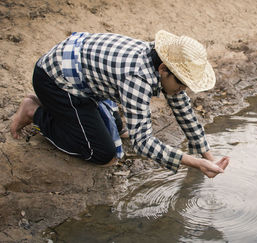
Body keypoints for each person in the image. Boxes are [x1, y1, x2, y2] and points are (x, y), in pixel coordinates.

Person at [10, 30, 229, 178]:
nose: (184, 90)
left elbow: (183, 109)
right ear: (163, 69)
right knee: (103, 155)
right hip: (54, 81)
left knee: (122, 131)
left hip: (83, 76)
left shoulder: (160, 60)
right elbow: (142, 143)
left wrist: (209, 157)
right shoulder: (137, 78)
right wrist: (196, 163)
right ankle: (34, 112)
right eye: (182, 83)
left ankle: (58, 109)